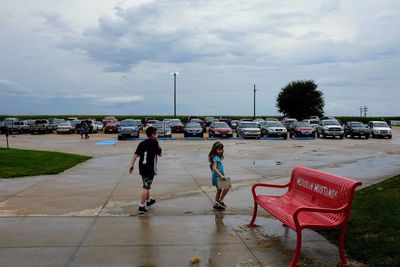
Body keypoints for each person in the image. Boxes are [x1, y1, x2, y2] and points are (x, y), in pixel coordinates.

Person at [129, 126, 162, 214]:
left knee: (146, 184)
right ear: (153, 134)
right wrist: (157, 143)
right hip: (150, 168)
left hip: (142, 167)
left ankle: (148, 201)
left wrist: (131, 165)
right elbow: (160, 154)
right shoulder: (154, 143)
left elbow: (135, 154)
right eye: (156, 133)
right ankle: (141, 206)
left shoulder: (142, 143)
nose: (157, 134)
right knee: (146, 187)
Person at [208, 141, 229, 210]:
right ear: (215, 149)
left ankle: (216, 205)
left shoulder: (216, 157)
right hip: (218, 176)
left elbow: (211, 167)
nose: (220, 151)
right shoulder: (216, 157)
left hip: (216, 176)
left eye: (221, 149)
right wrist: (220, 175)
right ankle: (219, 201)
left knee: (219, 190)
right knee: (227, 187)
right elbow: (214, 167)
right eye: (219, 149)